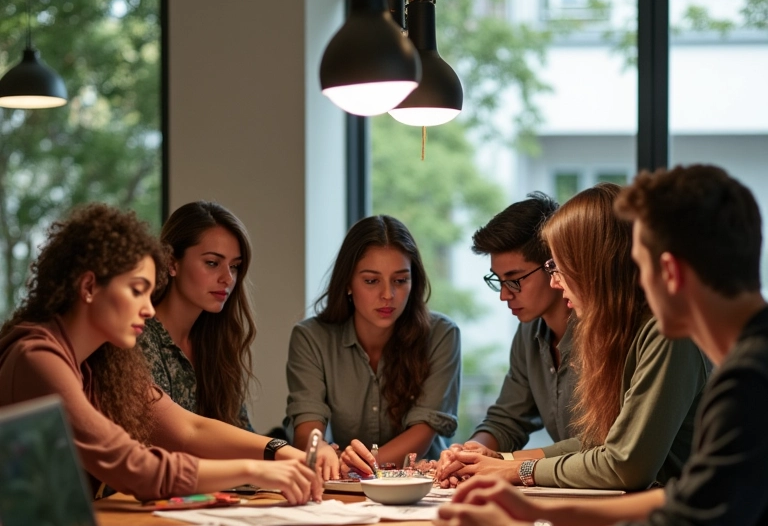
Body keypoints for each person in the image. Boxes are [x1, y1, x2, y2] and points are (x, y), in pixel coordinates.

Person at [434, 164, 768, 526]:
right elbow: (678, 502)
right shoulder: (748, 362)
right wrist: (532, 509)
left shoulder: (750, 381)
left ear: (669, 273)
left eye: (635, 266)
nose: (563, 284)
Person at [0, 203, 325, 504]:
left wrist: (278, 452)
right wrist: (255, 469)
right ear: (88, 287)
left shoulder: (103, 360)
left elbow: (186, 428)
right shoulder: (37, 357)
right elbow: (132, 466)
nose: (146, 307)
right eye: (137, 290)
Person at [438, 182, 709, 491]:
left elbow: (624, 465)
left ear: (598, 265)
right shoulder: (615, 328)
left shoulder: (666, 332)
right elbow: (594, 445)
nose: (556, 282)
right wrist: (501, 461)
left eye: (560, 267)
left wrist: (516, 469)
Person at [286, 214, 461, 473]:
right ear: (347, 283)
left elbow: (422, 433)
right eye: (371, 281)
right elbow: (307, 427)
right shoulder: (310, 337)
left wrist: (356, 466)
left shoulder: (441, 334)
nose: (388, 295)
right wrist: (319, 449)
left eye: (400, 280)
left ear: (414, 282)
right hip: (347, 485)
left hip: (423, 484)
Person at [436, 192, 575, 488]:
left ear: (554, 265)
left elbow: (601, 446)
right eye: (497, 281)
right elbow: (509, 418)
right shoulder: (529, 332)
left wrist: (506, 463)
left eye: (515, 279)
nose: (504, 294)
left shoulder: (607, 331)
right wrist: (470, 451)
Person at [139, 200, 257, 432]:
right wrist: (281, 452)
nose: (228, 278)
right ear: (171, 263)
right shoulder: (138, 337)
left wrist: (301, 458)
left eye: (234, 266)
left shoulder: (216, 342)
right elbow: (179, 436)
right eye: (212, 263)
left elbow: (242, 433)